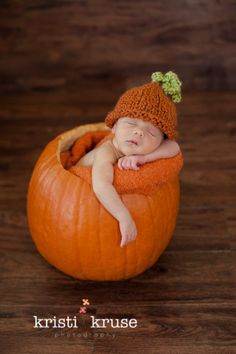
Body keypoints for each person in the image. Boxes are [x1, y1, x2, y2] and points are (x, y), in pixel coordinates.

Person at [76, 71, 182, 248]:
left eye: (151, 132)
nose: (138, 132)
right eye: (131, 123)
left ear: (161, 140)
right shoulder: (106, 152)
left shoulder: (155, 147)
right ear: (114, 126)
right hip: (80, 198)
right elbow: (101, 185)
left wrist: (144, 158)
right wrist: (124, 217)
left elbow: (174, 147)